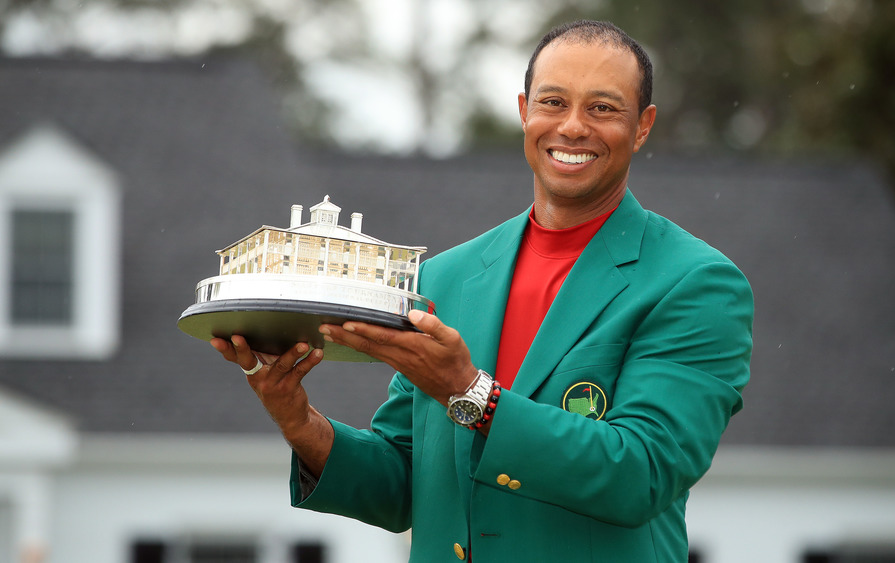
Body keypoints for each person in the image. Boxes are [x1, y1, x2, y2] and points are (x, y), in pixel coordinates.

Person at [211, 19, 753, 563]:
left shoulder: (695, 283)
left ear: (643, 126)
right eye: (553, 101)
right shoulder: (445, 277)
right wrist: (297, 420)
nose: (572, 127)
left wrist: (470, 393)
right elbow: (404, 485)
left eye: (603, 108)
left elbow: (642, 474)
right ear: (524, 111)